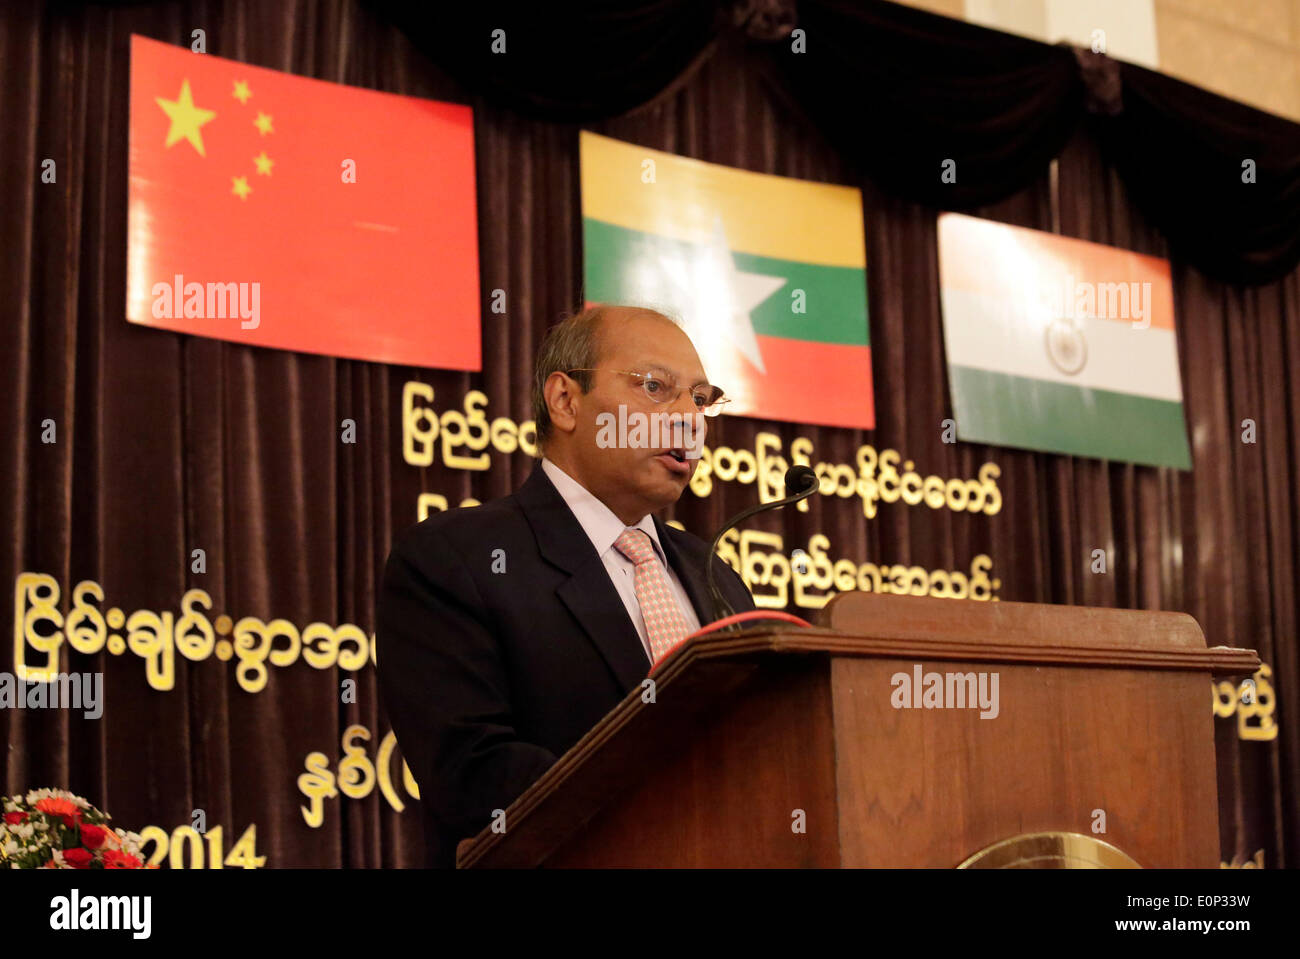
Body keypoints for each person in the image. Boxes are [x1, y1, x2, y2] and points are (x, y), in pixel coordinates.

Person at [376, 304, 757, 868]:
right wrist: (684, 808)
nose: (687, 419)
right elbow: (474, 774)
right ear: (565, 401)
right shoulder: (456, 559)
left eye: (700, 399)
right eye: (656, 388)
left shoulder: (717, 578)